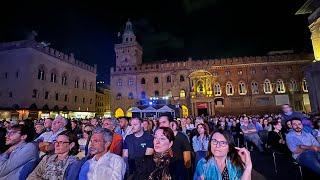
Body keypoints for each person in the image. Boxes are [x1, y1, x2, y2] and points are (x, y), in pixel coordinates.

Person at [159, 113, 192, 179]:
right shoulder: (160, 137)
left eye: (164, 122)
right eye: (160, 123)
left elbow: (187, 159)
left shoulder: (182, 137)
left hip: (180, 173)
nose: (161, 125)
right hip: (166, 172)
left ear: (171, 123)